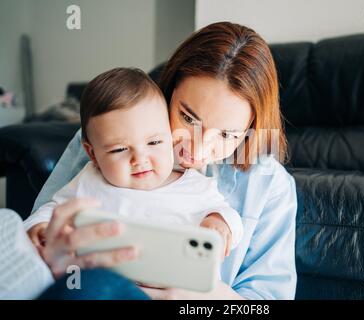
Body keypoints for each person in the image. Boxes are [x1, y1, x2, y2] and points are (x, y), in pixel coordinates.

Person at [26, 21, 297, 300]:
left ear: (252, 128)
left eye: (227, 135)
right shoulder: (109, 137)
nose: (199, 150)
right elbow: (39, 233)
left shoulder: (270, 186)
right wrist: (49, 251)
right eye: (188, 118)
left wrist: (204, 298)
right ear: (169, 90)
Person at [24, 67, 243, 278]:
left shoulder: (197, 187)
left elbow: (229, 216)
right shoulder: (90, 181)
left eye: (155, 142)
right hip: (103, 280)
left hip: (173, 285)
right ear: (92, 154)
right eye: (119, 149)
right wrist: (39, 227)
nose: (140, 159)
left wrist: (220, 222)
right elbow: (53, 211)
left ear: (169, 134)